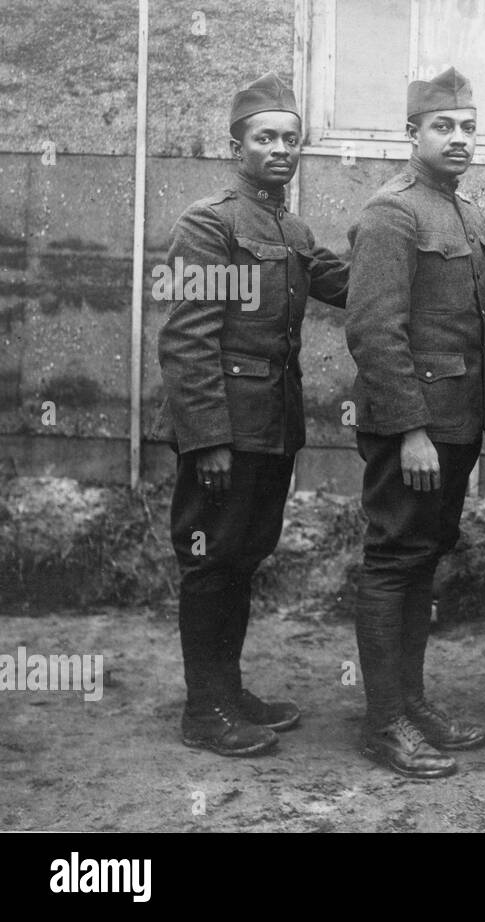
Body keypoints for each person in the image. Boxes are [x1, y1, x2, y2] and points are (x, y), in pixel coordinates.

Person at [345, 68, 485, 779]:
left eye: (469, 126)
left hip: (455, 426)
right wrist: (409, 430)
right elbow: (375, 331)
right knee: (394, 559)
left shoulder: (467, 216)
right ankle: (384, 723)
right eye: (445, 126)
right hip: (413, 429)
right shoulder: (392, 214)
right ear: (413, 134)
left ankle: (410, 702)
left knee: (422, 559)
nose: (460, 138)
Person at [156, 72, 348, 756]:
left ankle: (228, 691)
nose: (280, 150)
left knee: (241, 559)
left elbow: (347, 284)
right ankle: (204, 711)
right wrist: (206, 440)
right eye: (265, 138)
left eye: (291, 139)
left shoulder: (291, 229)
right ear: (235, 146)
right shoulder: (209, 224)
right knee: (211, 561)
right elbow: (187, 340)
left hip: (273, 430)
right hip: (226, 433)